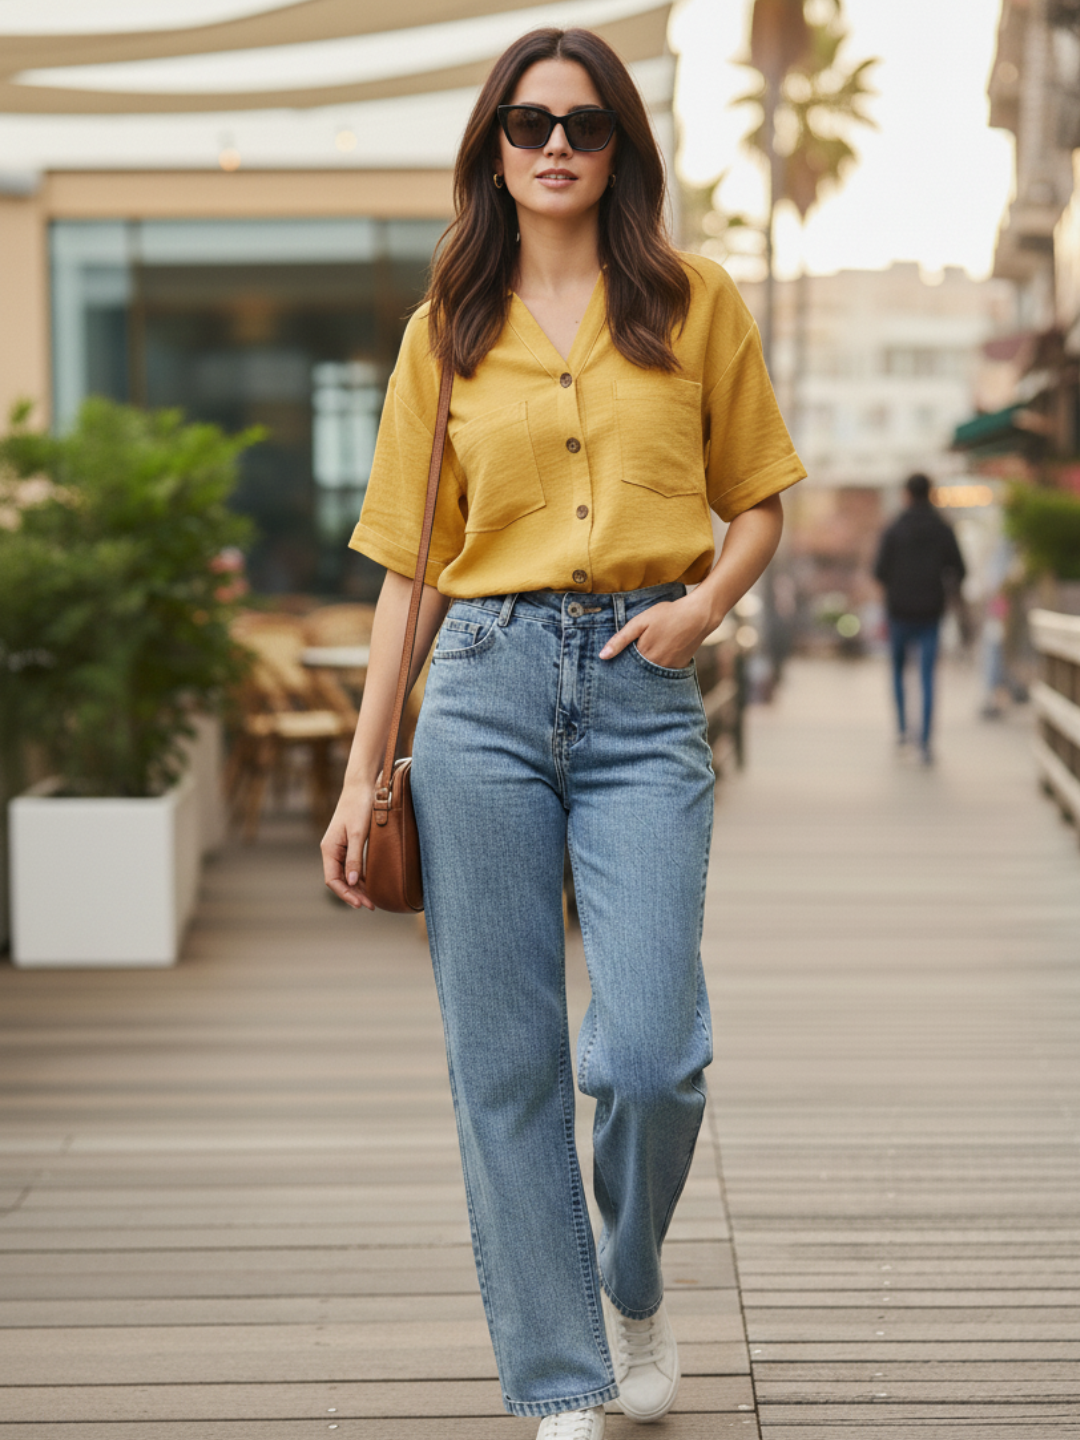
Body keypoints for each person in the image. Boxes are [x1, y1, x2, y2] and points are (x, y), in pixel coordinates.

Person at [321, 27, 804, 1438]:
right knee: (506, 1057)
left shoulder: (691, 299)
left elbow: (760, 495)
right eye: (527, 123)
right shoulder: (444, 334)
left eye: (582, 126)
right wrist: (363, 779)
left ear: (618, 150)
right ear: (493, 148)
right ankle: (561, 1380)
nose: (553, 145)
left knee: (651, 1051)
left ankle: (631, 1274)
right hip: (477, 692)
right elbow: (408, 571)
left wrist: (705, 604)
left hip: (642, 688)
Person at [873, 473, 967, 763]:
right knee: (927, 676)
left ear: (907, 494)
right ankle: (924, 742)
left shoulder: (894, 528)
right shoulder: (942, 529)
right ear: (930, 493)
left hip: (899, 610)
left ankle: (903, 733)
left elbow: (878, 571)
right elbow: (960, 570)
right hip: (930, 612)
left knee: (899, 673)